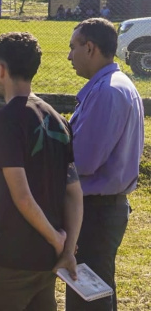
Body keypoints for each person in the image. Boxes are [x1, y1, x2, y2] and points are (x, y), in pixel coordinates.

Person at [0, 32, 83, 311]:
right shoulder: (58, 118)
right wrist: (66, 248)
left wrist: (55, 238)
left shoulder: (6, 120)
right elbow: (74, 192)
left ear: (1, 70)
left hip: (10, 258)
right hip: (48, 260)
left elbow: (21, 196)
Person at [66, 18, 144, 311]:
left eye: (73, 47)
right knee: (94, 289)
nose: (69, 55)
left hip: (96, 211)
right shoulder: (114, 85)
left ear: (90, 47)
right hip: (102, 208)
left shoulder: (106, 91)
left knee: (89, 294)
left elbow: (83, 160)